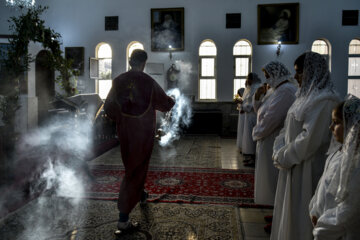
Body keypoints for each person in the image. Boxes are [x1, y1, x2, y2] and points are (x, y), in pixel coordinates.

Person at [270, 52, 340, 240]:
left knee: (301, 214)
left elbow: (309, 140)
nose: (295, 77)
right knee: (289, 211)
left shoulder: (325, 100)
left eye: (299, 72)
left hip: (307, 167)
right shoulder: (303, 96)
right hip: (291, 163)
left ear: (313, 73)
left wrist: (284, 156)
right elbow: (286, 128)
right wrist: (278, 149)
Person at [104, 49, 175, 232]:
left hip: (125, 132)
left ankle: (141, 194)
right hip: (142, 133)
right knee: (137, 169)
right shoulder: (148, 82)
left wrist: (121, 118)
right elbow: (164, 104)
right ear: (143, 63)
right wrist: (171, 100)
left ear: (130, 61)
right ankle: (123, 218)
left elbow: (109, 107)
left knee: (131, 165)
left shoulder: (118, 81)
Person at [252, 61, 297, 232]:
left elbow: (272, 118)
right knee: (271, 177)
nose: (267, 80)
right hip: (267, 137)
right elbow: (261, 110)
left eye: (268, 76)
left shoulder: (285, 91)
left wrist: (256, 132)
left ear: (276, 74)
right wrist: (258, 96)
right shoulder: (276, 90)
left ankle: (277, 213)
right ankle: (276, 210)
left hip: (273, 138)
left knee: (273, 177)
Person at [309, 96, 360, 240]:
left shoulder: (356, 163)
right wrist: (314, 209)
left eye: (336, 123)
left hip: (337, 230)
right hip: (322, 221)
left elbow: (351, 209)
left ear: (353, 126)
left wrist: (323, 226)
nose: (331, 127)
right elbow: (322, 186)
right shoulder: (337, 153)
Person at [241, 73, 262, 167]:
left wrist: (243, 107)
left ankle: (254, 158)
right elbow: (247, 101)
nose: (247, 81)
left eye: (248, 79)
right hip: (249, 116)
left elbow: (253, 104)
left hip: (253, 115)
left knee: (252, 138)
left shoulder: (257, 88)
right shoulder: (250, 88)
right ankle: (250, 157)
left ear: (252, 79)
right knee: (249, 137)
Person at [236, 87, 245, 153]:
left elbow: (246, 106)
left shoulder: (245, 98)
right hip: (241, 116)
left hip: (244, 116)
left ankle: (243, 146)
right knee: (240, 129)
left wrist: (241, 103)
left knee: (243, 130)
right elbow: (239, 107)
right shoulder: (242, 98)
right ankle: (240, 146)